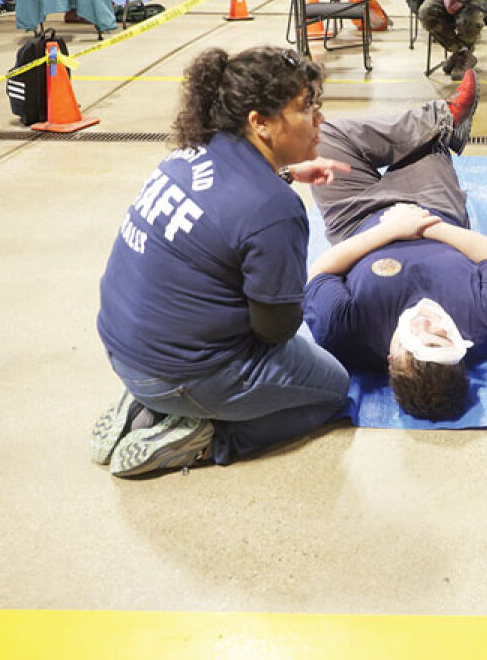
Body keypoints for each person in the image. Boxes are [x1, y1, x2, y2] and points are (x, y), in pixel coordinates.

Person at [91, 46, 352, 479]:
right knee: (332, 391)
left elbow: (228, 204)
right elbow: (276, 329)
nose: (320, 117)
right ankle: (204, 437)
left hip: (122, 348)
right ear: (260, 123)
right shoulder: (273, 210)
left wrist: (282, 175)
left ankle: (147, 404)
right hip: (177, 372)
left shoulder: (193, 150)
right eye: (306, 107)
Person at [303, 72, 487, 422]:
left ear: (391, 360)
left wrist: (388, 231)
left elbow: (320, 271)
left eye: (413, 341)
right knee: (427, 144)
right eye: (438, 337)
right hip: (433, 208)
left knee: (323, 140)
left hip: (355, 217)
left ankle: (440, 121)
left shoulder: (344, 333)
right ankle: (442, 121)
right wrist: (430, 227)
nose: (424, 325)